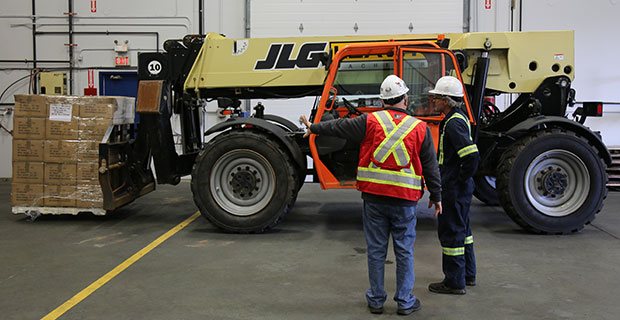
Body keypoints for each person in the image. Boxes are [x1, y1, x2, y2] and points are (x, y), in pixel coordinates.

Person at [300, 75, 442, 315]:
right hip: (405, 200)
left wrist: (312, 127)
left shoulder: (369, 121)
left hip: (374, 199)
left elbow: (337, 128)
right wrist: (437, 196)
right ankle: (405, 301)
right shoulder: (420, 128)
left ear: (382, 100)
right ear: (405, 99)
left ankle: (376, 300)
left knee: (376, 251)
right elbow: (431, 166)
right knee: (404, 251)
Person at [426, 76, 479, 295]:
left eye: (437, 98)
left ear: (447, 100)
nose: (434, 101)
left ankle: (454, 282)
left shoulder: (453, 122)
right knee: (463, 231)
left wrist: (456, 180)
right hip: (459, 188)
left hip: (454, 189)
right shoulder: (458, 118)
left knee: (452, 234)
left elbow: (471, 156)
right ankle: (468, 275)